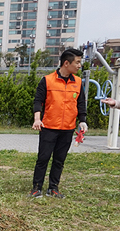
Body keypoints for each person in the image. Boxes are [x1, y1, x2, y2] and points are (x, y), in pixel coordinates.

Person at [29, 48, 87, 199]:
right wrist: (37, 119)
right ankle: (36, 188)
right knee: (43, 158)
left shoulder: (78, 82)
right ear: (66, 63)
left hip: (67, 128)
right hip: (48, 127)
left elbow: (81, 104)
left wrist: (82, 121)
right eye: (78, 62)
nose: (80, 66)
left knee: (59, 160)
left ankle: (53, 188)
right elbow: (38, 101)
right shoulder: (47, 80)